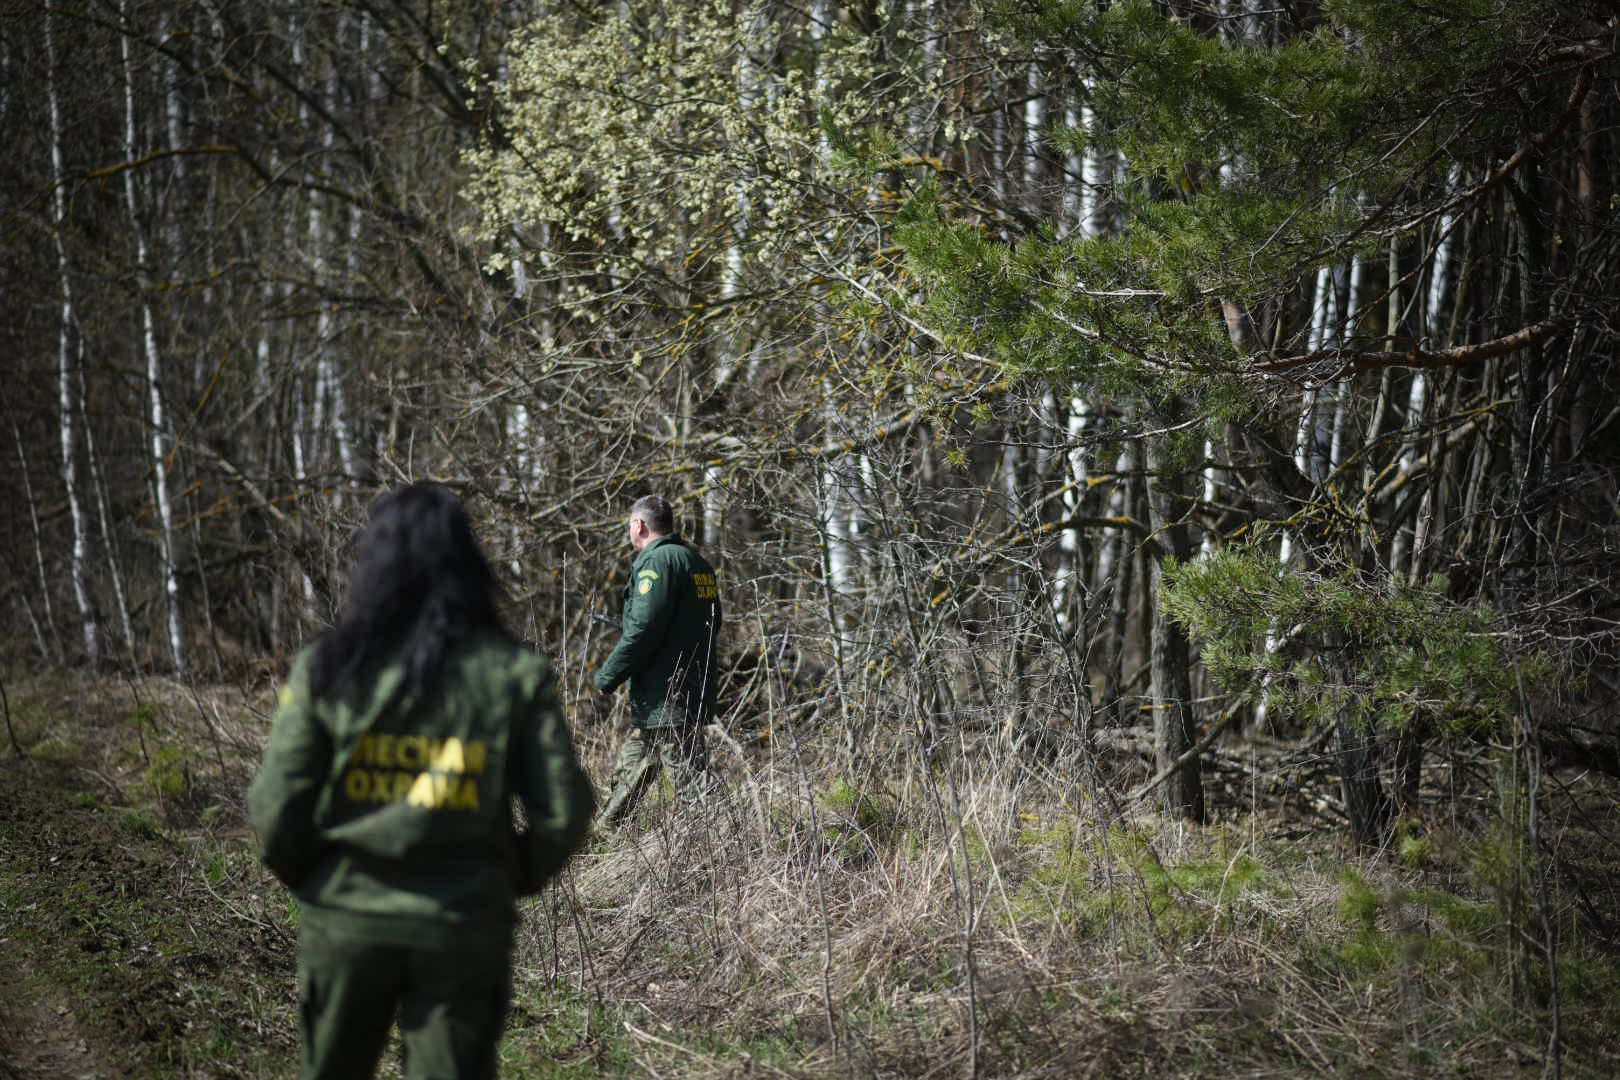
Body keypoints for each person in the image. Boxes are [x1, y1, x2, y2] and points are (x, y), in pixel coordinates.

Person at [247, 483, 594, 1080]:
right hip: (462, 926)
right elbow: (563, 810)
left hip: (346, 920)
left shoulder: (328, 668)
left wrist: (322, 879)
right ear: (467, 566)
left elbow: (276, 807)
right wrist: (502, 874)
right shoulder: (512, 673)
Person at [593, 494, 723, 826]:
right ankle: (603, 837)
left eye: (629, 525)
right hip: (685, 691)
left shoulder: (657, 563)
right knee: (631, 770)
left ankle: (740, 847)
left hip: (667, 695)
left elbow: (643, 628)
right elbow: (713, 623)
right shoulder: (697, 563)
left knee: (694, 784)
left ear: (639, 525)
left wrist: (609, 675)